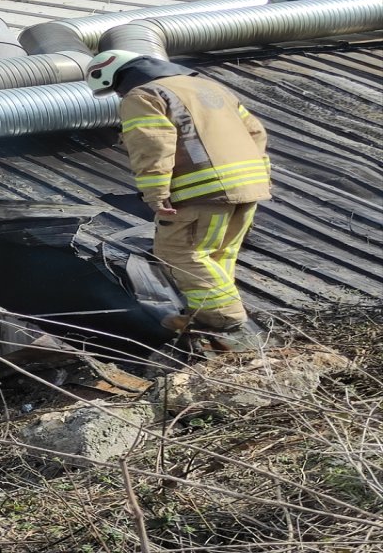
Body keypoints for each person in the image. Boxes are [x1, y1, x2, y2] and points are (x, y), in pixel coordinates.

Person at [85, 50, 271, 351]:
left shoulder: (144, 94)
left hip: (201, 192)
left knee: (182, 254)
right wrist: (257, 176)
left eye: (115, 89)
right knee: (218, 255)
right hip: (248, 188)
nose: (119, 96)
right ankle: (203, 316)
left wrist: (156, 194)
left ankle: (229, 324)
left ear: (117, 77)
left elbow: (153, 146)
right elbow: (256, 132)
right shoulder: (210, 87)